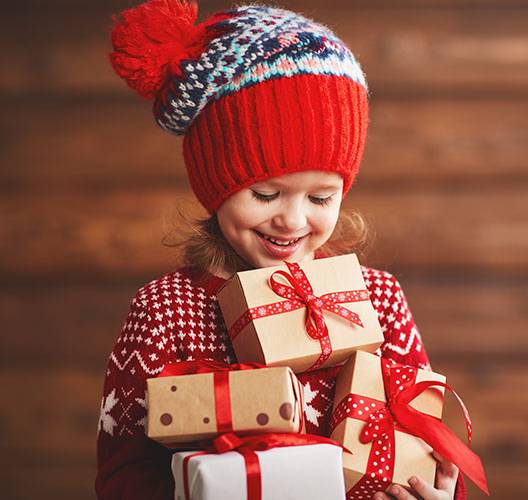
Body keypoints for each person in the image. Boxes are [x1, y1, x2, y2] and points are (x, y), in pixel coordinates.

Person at [96, 1, 465, 499]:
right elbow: (125, 474)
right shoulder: (165, 311)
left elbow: (426, 442)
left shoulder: (376, 299)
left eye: (320, 197)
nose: (292, 220)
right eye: (265, 194)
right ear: (215, 186)